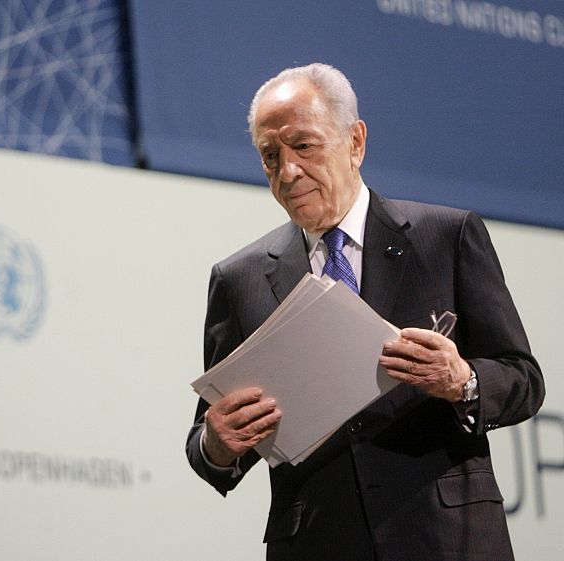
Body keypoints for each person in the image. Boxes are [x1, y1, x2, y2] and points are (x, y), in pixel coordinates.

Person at [185, 63, 545, 561]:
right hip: (317, 542)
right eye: (271, 156)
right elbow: (210, 438)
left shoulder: (446, 237)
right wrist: (217, 445)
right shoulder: (239, 278)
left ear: (355, 141)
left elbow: (523, 380)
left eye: (304, 146)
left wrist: (461, 381)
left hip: (445, 537)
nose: (288, 172)